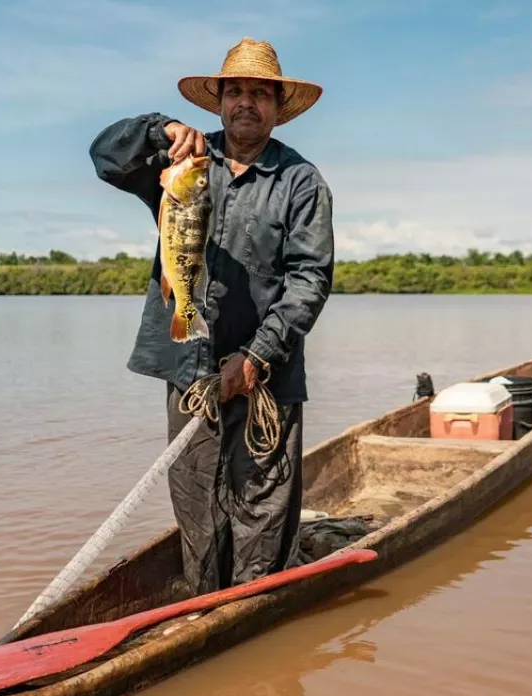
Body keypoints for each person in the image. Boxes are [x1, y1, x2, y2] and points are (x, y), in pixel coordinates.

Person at [88, 37, 334, 596]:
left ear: (277, 106)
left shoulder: (300, 182)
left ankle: (253, 610)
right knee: (197, 495)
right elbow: (104, 157)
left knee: (262, 502)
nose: (246, 103)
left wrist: (257, 355)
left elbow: (309, 280)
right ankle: (205, 602)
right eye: (235, 92)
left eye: (259, 94)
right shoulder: (182, 164)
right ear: (218, 101)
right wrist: (159, 131)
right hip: (188, 365)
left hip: (265, 374)